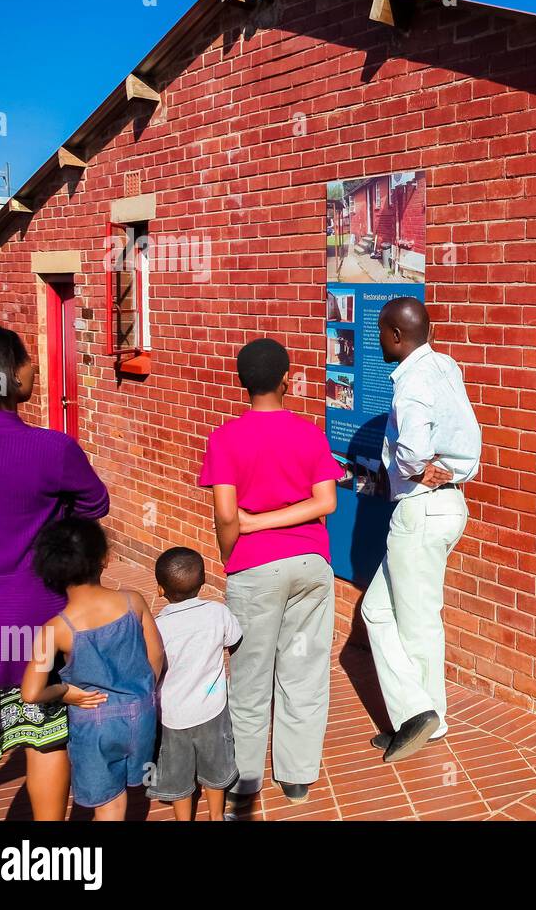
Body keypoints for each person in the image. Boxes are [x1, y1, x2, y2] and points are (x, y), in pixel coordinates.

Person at [0, 324, 109, 821]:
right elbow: (95, 503)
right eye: (26, 359)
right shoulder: (50, 449)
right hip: (36, 618)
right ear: (5, 377)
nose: (35, 365)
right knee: (43, 735)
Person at [199, 338, 341, 805]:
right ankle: (297, 776)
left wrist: (238, 543)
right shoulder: (309, 432)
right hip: (310, 565)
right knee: (303, 670)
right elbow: (327, 501)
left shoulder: (224, 438)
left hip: (254, 568)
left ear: (243, 383)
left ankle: (245, 779)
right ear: (287, 379)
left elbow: (225, 516)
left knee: (250, 674)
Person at [363, 297, 481, 763]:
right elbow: (469, 441)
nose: (377, 340)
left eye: (380, 332)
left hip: (421, 512)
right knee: (376, 611)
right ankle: (415, 712)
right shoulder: (446, 366)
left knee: (417, 623)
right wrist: (449, 470)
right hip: (449, 506)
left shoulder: (410, 383)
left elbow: (412, 451)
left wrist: (414, 469)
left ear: (396, 336)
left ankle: (425, 718)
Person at [21, 519, 163, 821]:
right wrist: (143, 689)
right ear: (105, 558)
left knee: (108, 804)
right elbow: (156, 653)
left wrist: (65, 692)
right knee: (127, 790)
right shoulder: (132, 601)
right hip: (141, 713)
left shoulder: (54, 630)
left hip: (94, 723)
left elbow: (31, 692)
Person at [146, 547, 242, 821]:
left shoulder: (158, 626)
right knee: (215, 769)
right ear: (204, 581)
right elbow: (235, 639)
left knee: (176, 774)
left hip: (172, 715)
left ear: (160, 590)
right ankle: (215, 816)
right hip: (212, 707)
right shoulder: (216, 612)